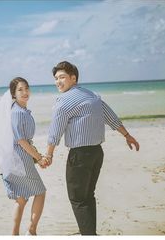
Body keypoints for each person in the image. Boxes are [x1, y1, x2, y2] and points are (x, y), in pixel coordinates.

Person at [45, 61, 140, 235]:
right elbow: (110, 117)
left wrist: (49, 155)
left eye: (62, 77)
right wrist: (127, 135)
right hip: (97, 153)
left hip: (79, 156)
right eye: (56, 78)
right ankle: (89, 232)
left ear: (73, 78)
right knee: (88, 195)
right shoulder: (93, 96)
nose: (58, 82)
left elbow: (55, 132)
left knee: (77, 198)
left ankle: (88, 235)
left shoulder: (63, 101)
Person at [0, 77, 47, 235]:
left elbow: (23, 140)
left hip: (17, 156)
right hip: (20, 157)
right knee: (40, 192)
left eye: (26, 88)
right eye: (20, 89)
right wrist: (39, 158)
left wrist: (36, 155)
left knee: (21, 198)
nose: (25, 92)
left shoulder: (19, 110)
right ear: (13, 93)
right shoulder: (18, 113)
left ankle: (15, 235)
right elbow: (21, 141)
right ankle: (31, 231)